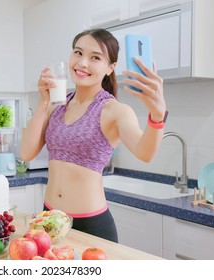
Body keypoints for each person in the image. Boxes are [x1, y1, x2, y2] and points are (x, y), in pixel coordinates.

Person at [20, 28, 167, 242]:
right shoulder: (57, 105)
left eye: (95, 57)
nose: (82, 63)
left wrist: (157, 114)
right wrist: (43, 101)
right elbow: (26, 153)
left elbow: (145, 153)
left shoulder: (114, 110)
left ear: (110, 68)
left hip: (90, 225)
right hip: (49, 220)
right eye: (78, 53)